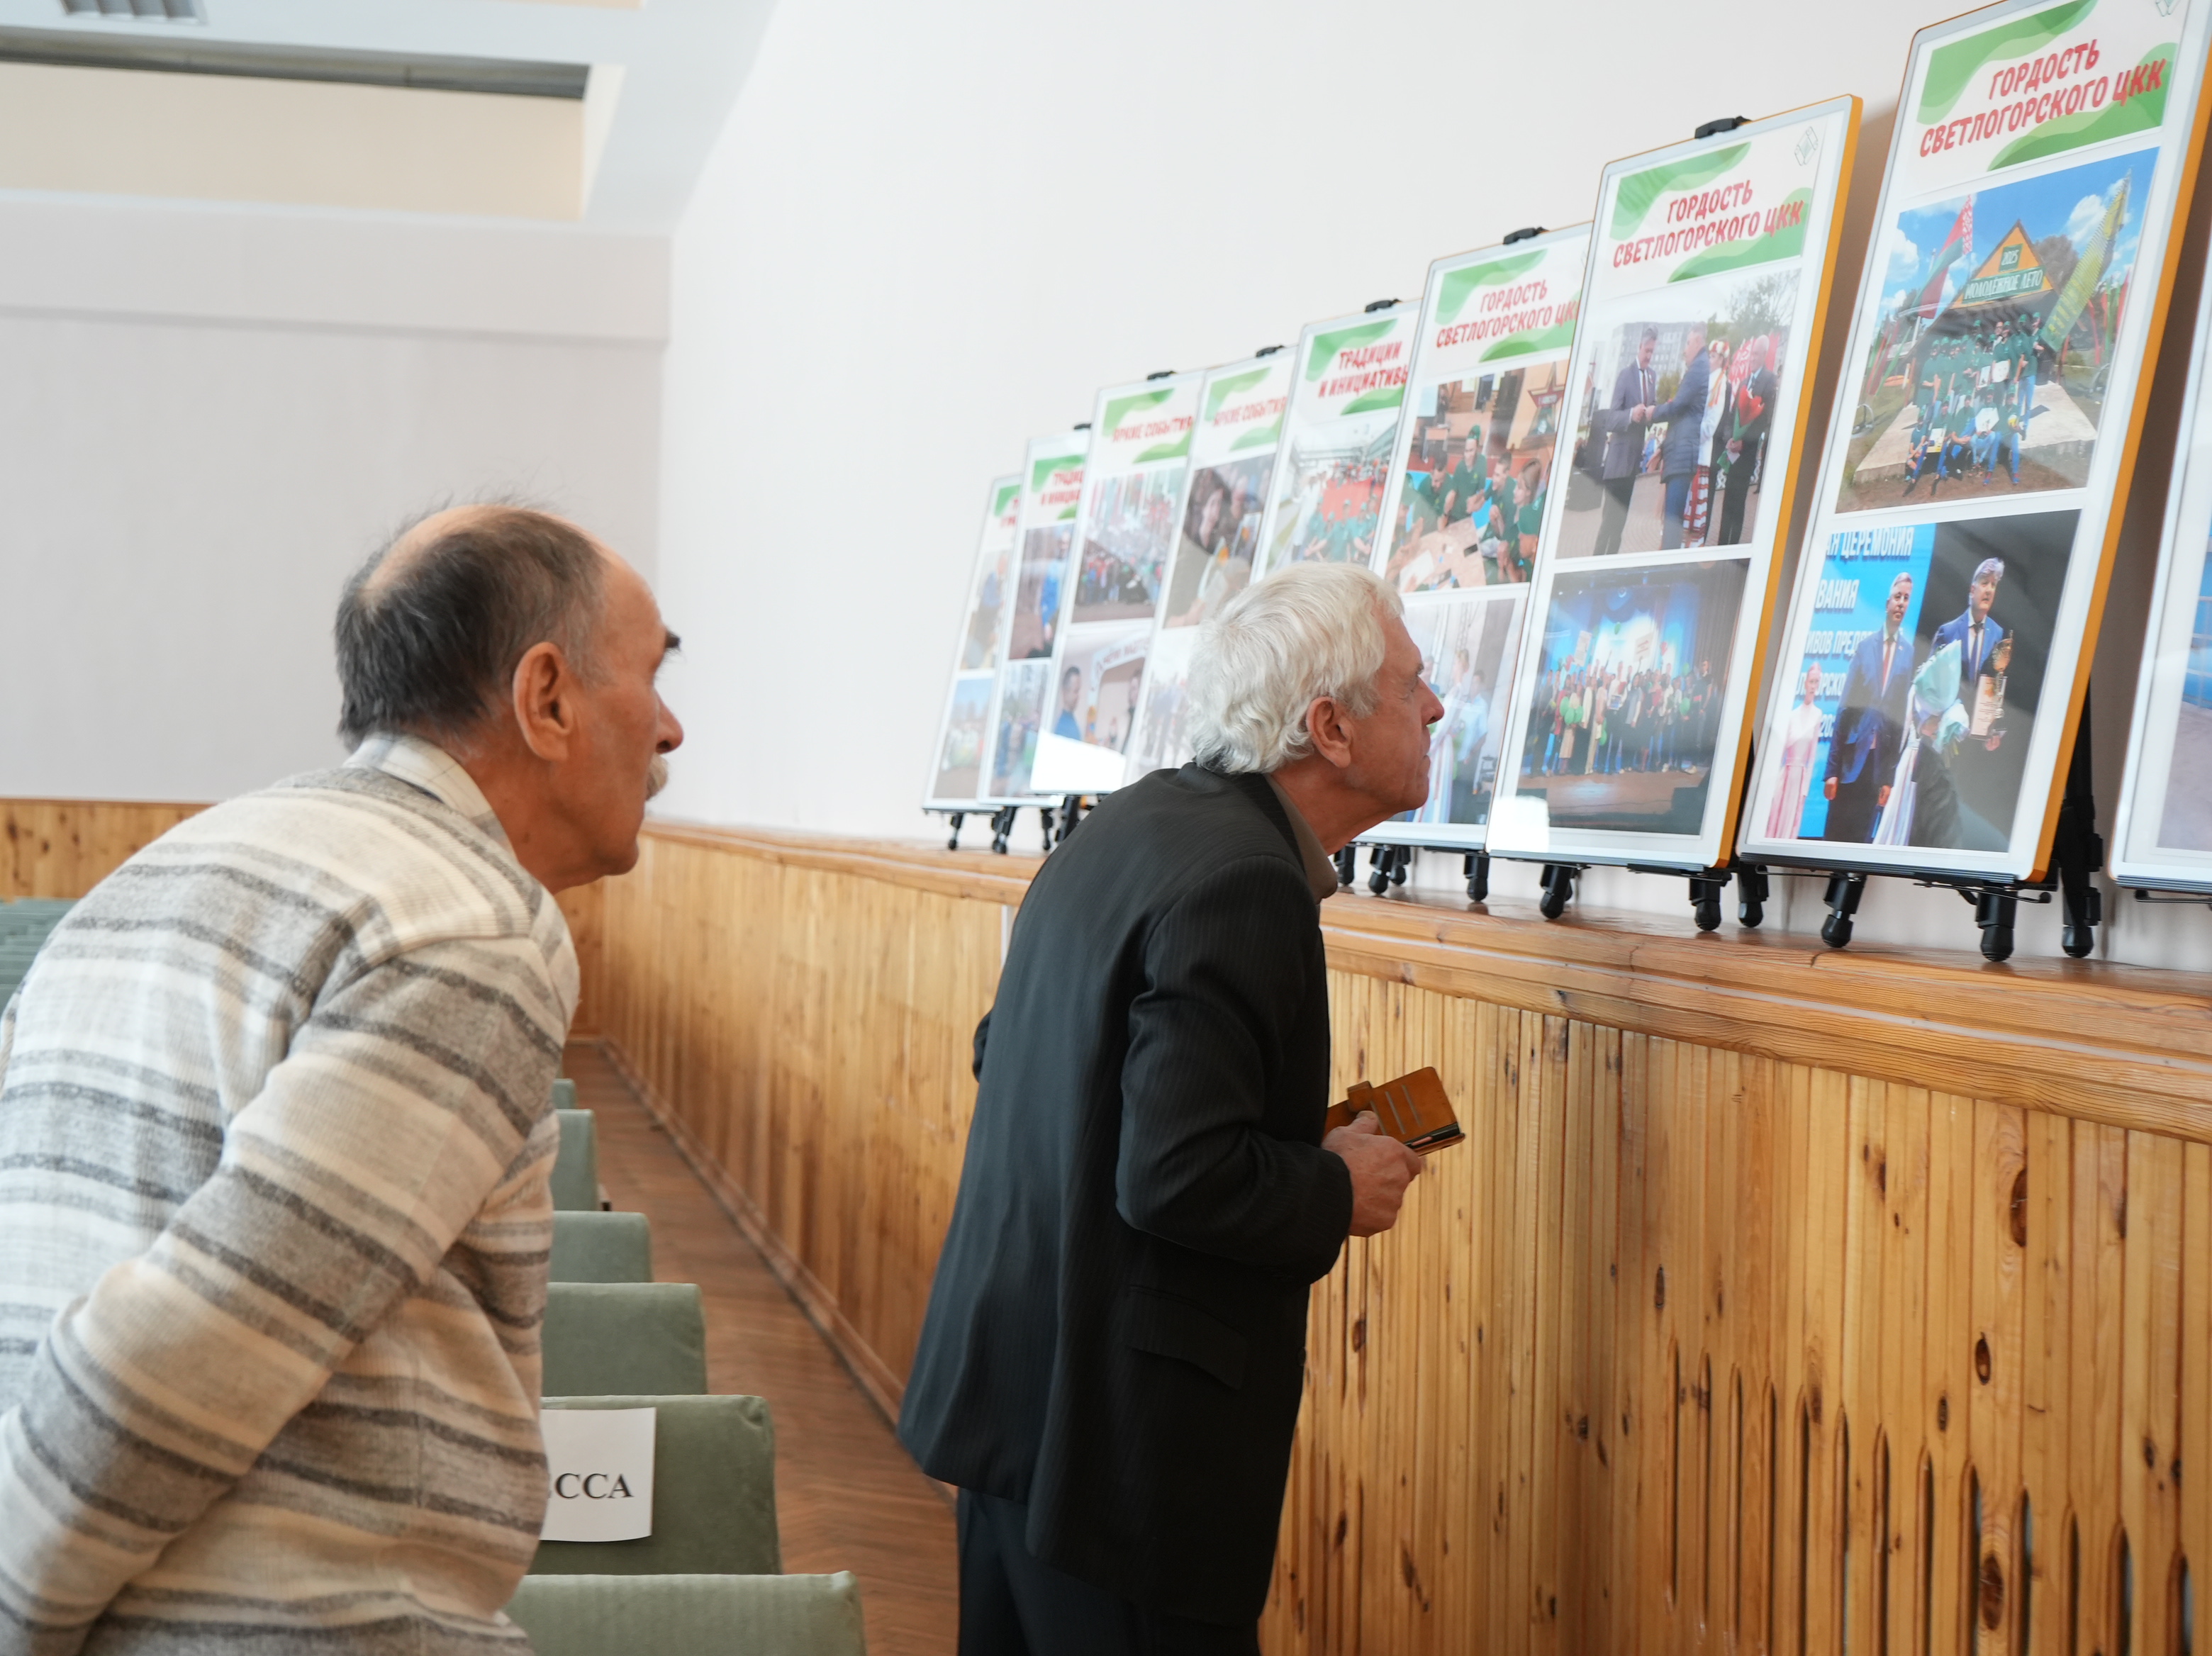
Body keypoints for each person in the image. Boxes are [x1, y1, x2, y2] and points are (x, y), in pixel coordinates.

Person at [0, 505, 684, 1651]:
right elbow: (202, 1338)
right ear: (548, 698)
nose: (669, 729)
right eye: (654, 675)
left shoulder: (154, 870)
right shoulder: (466, 923)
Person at [899, 563, 1435, 1656]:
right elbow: (1178, 1174)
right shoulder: (1248, 880)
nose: (1435, 706)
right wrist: (1336, 1187)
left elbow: (1014, 1052)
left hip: (1013, 1408)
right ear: (1331, 727)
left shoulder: (1130, 821)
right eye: (1412, 682)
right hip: (1116, 1458)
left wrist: (1279, 1135)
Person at [1822, 571, 1915, 843]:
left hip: (1877, 767)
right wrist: (1832, 771)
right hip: (1851, 763)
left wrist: (1889, 779)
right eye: (1897, 597)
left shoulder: (1908, 653)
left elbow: (1898, 720)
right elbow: (1844, 709)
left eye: (1906, 598)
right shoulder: (1865, 647)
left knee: (1861, 842)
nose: (1901, 603)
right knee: (1835, 838)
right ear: (1887, 603)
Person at [1590, 329, 1660, 556]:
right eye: (1647, 350)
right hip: (1617, 465)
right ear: (1639, 347)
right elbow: (1611, 419)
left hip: (1632, 465)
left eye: (1652, 351)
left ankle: (1608, 568)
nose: (1649, 356)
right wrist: (1631, 414)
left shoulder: (1652, 377)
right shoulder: (1625, 376)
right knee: (1607, 526)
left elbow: (1651, 412)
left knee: (1619, 527)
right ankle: (1594, 567)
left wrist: (1652, 414)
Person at [1648, 325, 1712, 550]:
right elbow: (1681, 417)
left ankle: (1667, 570)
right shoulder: (1699, 367)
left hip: (1682, 458)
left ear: (1698, 342)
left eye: (1688, 343)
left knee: (1672, 526)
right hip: (1680, 455)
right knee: (1671, 524)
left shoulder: (1698, 368)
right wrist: (1662, 449)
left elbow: (1677, 407)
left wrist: (1653, 413)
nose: (1685, 350)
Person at [1717, 335, 1777, 545]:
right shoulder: (1744, 382)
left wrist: (1745, 442)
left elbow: (1763, 419)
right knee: (1727, 501)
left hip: (1747, 454)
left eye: (1757, 354)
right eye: (1752, 354)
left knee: (1738, 502)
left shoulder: (1769, 381)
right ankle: (1721, 546)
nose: (1752, 358)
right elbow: (1732, 415)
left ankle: (1732, 547)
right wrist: (1729, 438)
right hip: (1732, 452)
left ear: (1765, 355)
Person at [1766, 662, 1826, 838]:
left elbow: (1812, 756)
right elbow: (1781, 753)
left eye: (1816, 682)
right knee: (1776, 816)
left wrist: (1805, 788)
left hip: (1800, 778)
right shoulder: (1792, 715)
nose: (1813, 686)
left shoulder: (1817, 715)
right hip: (1786, 775)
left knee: (1793, 819)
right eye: (1811, 681)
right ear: (1805, 683)